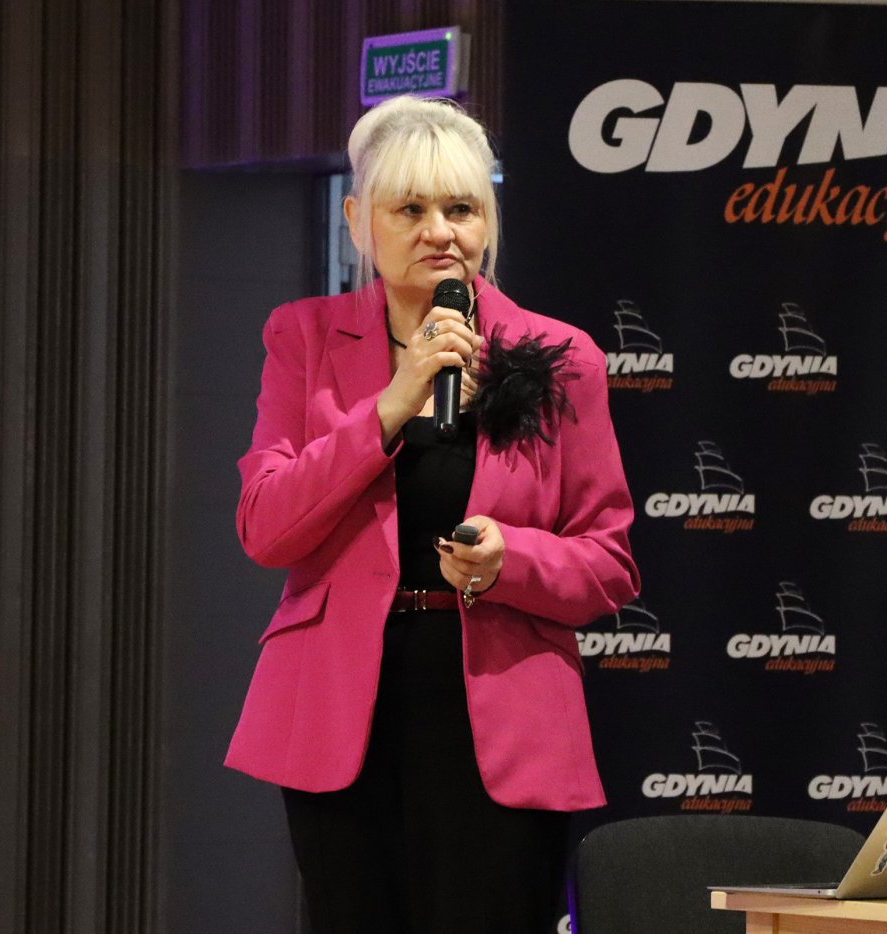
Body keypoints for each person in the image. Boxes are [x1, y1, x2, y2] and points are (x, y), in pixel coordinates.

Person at [225, 94, 640, 934]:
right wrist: (392, 401)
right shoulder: (302, 338)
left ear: (488, 220)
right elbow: (266, 526)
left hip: (502, 712)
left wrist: (512, 560)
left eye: (461, 208)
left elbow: (610, 562)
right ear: (358, 222)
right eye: (410, 209)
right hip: (342, 708)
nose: (439, 232)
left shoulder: (562, 357)